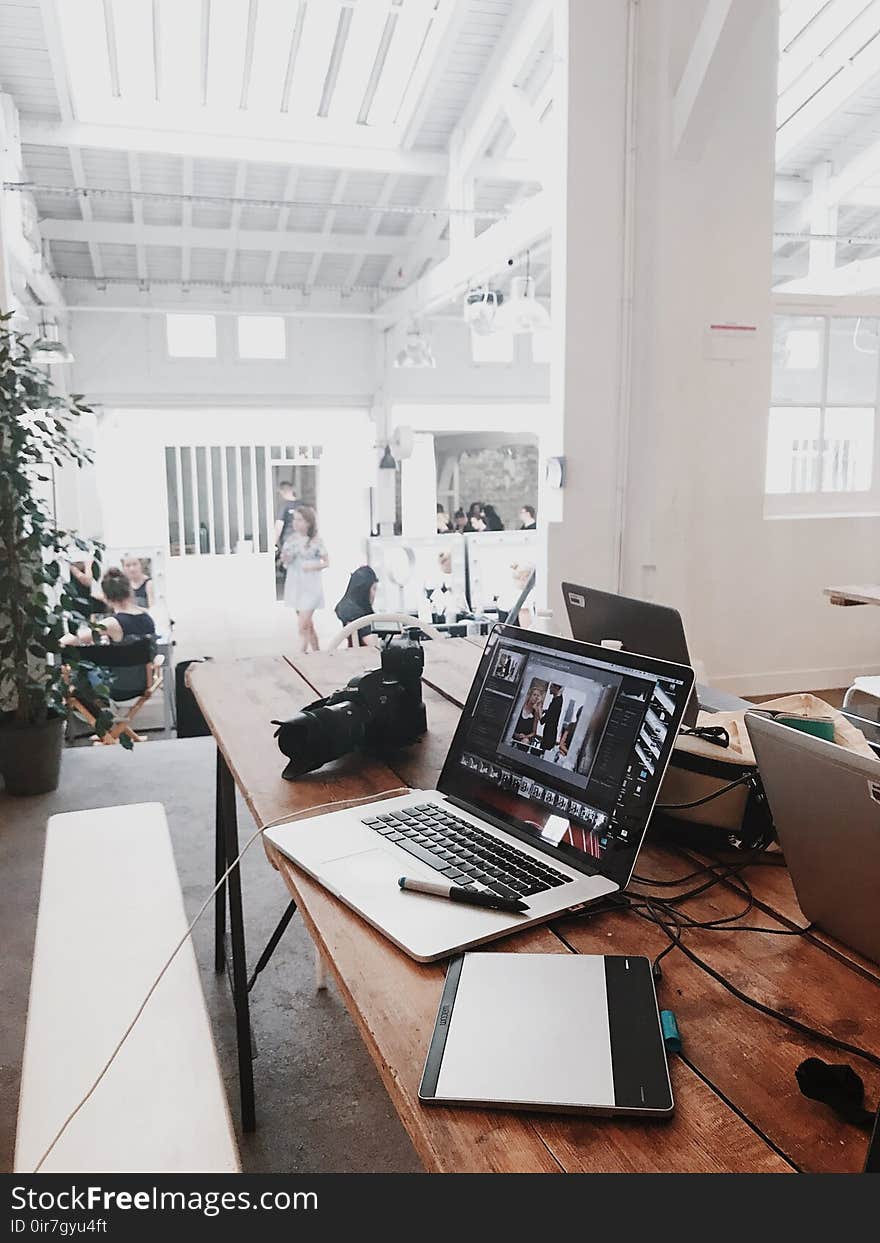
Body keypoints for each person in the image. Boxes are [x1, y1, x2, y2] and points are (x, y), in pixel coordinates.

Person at [281, 506, 328, 653]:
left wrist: (312, 566)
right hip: (296, 586)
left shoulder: (316, 541)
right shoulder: (291, 540)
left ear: (308, 522)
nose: (296, 523)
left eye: (300, 520)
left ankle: (300, 655)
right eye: (295, 519)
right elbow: (285, 562)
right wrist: (285, 558)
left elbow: (326, 562)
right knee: (308, 625)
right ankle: (317, 652)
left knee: (302, 626)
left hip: (311, 587)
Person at [335, 565, 379, 647]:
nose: (374, 594)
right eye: (374, 589)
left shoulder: (346, 607)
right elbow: (373, 644)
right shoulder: (354, 613)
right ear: (364, 590)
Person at [274, 480, 303, 548]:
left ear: (281, 492)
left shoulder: (284, 506)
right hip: (302, 540)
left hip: (288, 540)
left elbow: (278, 526)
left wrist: (273, 544)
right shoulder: (302, 505)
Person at [540, 683, 564, 752]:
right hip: (551, 734)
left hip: (549, 735)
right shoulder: (559, 699)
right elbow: (553, 713)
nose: (549, 688)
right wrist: (546, 711)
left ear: (556, 688)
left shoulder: (556, 702)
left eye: (551, 687)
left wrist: (538, 709)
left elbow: (542, 721)